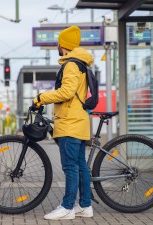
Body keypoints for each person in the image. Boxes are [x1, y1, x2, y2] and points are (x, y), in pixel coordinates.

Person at [33, 26, 94, 220]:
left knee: (70, 167)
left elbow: (67, 92)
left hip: (70, 121)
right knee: (79, 165)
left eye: (58, 43)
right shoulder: (81, 63)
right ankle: (85, 206)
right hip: (78, 120)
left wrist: (42, 97)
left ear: (63, 45)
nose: (57, 47)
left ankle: (67, 207)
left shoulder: (71, 65)